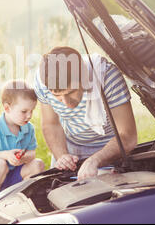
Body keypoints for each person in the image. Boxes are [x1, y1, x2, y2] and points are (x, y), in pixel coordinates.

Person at [33, 46, 137, 181]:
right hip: (70, 147)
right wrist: (62, 156)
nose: (66, 102)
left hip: (110, 150)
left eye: (71, 92)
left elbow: (128, 136)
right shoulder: (42, 81)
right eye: (58, 96)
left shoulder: (107, 78)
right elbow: (51, 124)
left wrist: (94, 160)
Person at [0, 80, 45, 202]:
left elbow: (32, 154)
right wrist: (7, 155)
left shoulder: (28, 128)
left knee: (38, 164)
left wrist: (22, 158)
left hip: (15, 172)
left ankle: (22, 196)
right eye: (24, 111)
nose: (29, 116)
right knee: (0, 164)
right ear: (7, 108)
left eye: (32, 111)